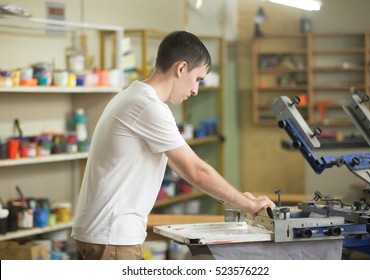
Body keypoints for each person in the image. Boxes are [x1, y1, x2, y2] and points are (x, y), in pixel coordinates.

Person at [71, 30, 275, 260]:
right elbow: (196, 171)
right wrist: (251, 205)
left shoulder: (132, 96)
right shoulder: (148, 106)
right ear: (181, 68)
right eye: (197, 79)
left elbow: (185, 168)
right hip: (112, 236)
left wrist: (237, 199)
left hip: (105, 232)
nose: (196, 90)